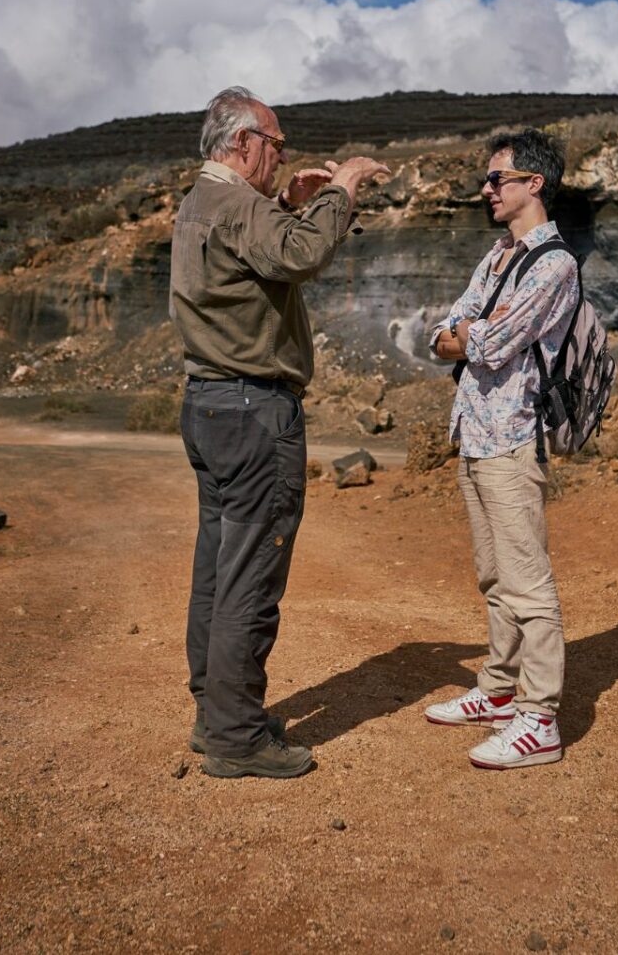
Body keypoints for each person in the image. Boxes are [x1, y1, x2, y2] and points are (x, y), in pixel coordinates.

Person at [170, 85, 388, 779]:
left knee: (217, 566)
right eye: (276, 144)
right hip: (253, 409)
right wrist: (342, 190)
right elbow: (298, 257)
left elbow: (262, 251)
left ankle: (219, 711)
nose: (282, 155)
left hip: (211, 404)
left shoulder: (202, 202)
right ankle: (235, 736)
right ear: (241, 144)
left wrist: (290, 202)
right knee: (250, 571)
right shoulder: (234, 204)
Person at [424, 128, 579, 770]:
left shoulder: (554, 264)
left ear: (532, 184)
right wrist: (464, 333)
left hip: (514, 437)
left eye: (497, 179)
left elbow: (491, 342)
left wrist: (469, 333)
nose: (486, 189)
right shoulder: (493, 260)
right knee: (493, 576)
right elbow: (441, 335)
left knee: (527, 583)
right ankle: (497, 690)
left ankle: (539, 718)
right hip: (474, 434)